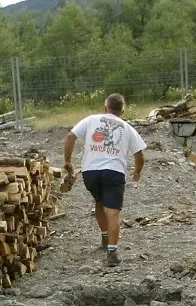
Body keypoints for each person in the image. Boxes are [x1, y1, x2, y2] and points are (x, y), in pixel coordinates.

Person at [63, 93, 147, 267]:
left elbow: (70, 136)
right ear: (122, 111)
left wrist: (68, 161)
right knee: (113, 211)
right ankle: (112, 252)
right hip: (114, 171)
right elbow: (139, 154)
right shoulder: (127, 127)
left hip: (90, 171)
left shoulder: (91, 119)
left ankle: (104, 236)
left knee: (99, 201)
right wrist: (137, 171)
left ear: (105, 107)